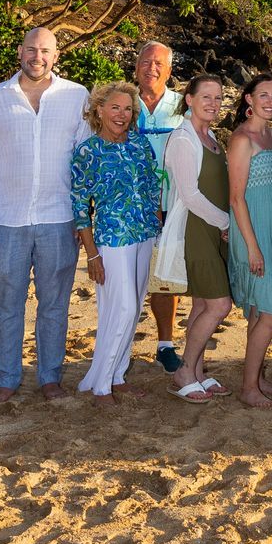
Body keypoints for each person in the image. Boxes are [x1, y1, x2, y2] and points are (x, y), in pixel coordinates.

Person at [0, 26, 89, 403]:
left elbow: (85, 160)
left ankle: (50, 376)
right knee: (5, 304)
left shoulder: (76, 96)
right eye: (32, 49)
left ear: (56, 55)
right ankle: (6, 378)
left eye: (46, 51)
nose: (38, 57)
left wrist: (83, 218)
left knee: (54, 304)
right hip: (6, 218)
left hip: (59, 217)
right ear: (20, 52)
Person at [71, 80, 163, 404]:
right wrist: (92, 255)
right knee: (119, 308)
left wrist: (158, 229)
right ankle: (100, 387)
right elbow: (80, 208)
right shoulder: (88, 151)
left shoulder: (139, 145)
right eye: (115, 107)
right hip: (111, 239)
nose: (122, 114)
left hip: (143, 235)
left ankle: (116, 375)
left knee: (134, 307)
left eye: (127, 109)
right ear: (99, 110)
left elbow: (154, 187)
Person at [162, 74, 233, 402]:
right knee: (220, 304)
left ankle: (199, 372)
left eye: (218, 98)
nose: (213, 103)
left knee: (203, 304)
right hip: (196, 229)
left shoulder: (212, 136)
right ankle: (184, 370)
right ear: (188, 99)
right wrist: (224, 222)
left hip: (213, 228)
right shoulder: (183, 139)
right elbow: (190, 195)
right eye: (206, 96)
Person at [226, 74, 272, 408]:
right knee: (271, 313)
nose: (270, 101)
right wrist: (252, 246)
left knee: (256, 311)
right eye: (263, 95)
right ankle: (248, 387)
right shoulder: (241, 139)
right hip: (251, 231)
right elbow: (236, 199)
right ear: (248, 99)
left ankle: (257, 376)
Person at [133, 41, 186, 373]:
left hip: (172, 206)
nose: (152, 68)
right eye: (146, 61)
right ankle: (120, 343)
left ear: (169, 70)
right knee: (127, 279)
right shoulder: (122, 101)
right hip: (128, 208)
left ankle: (165, 343)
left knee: (165, 276)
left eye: (159, 64)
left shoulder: (183, 106)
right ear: (136, 65)